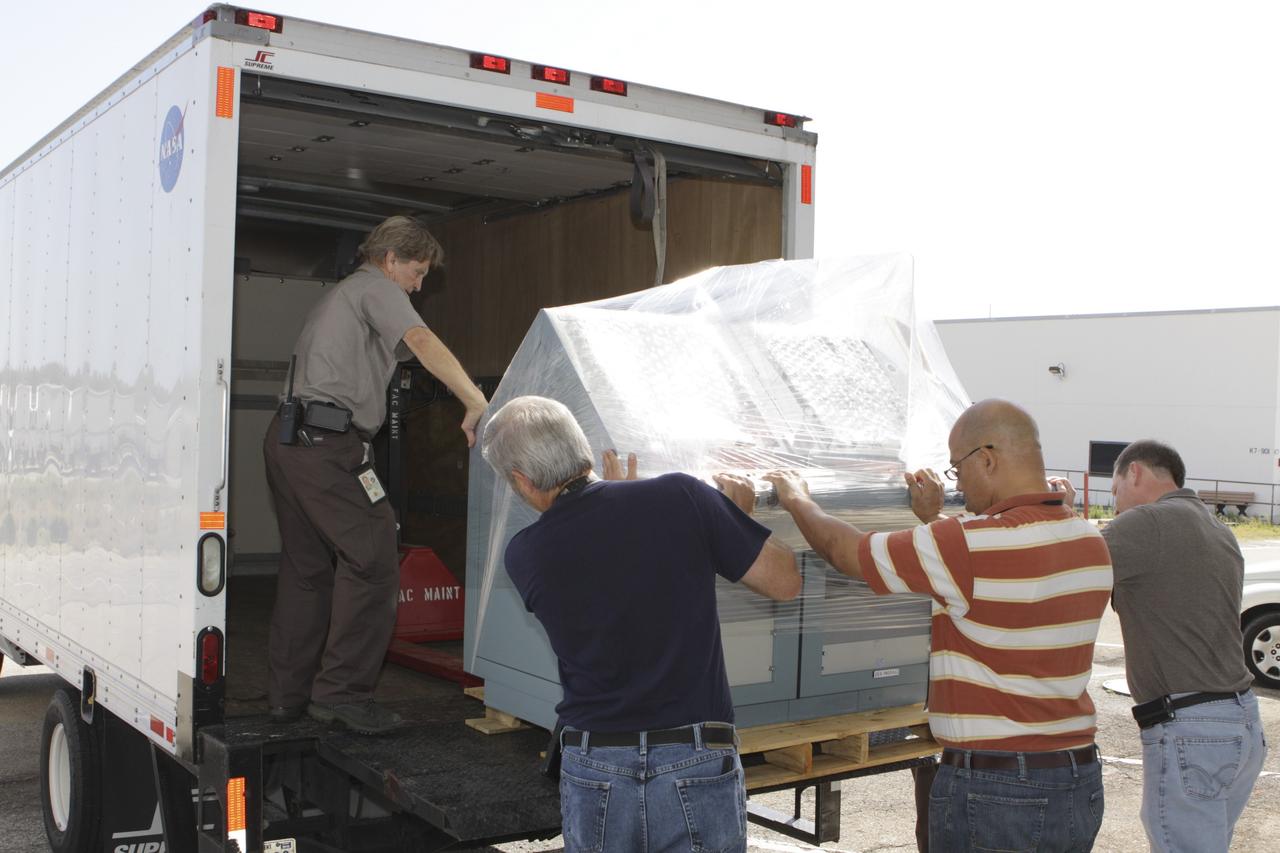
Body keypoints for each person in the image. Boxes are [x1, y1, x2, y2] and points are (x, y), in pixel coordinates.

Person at [763, 399, 1112, 852]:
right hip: (1075, 779)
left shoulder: (967, 546)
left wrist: (796, 498)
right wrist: (933, 520)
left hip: (998, 788)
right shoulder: (1088, 541)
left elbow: (847, 552)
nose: (958, 485)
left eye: (958, 469)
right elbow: (993, 574)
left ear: (987, 459)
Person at [480, 395, 801, 853]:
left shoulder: (525, 554)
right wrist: (737, 521)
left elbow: (606, 571)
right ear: (581, 446)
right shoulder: (681, 497)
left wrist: (617, 501)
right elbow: (786, 581)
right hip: (694, 756)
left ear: (522, 481)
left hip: (597, 763)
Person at [263, 215, 487, 734]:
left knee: (307, 573)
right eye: (417, 271)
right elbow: (422, 341)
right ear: (390, 260)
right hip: (327, 446)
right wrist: (475, 398)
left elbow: (405, 352)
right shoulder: (376, 288)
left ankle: (286, 699)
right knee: (374, 556)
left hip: (291, 440)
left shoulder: (346, 295)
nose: (419, 284)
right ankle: (343, 694)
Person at [1052, 440, 1265, 852]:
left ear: (1135, 473)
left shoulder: (1149, 523)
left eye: (1114, 493)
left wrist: (1060, 511)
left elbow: (1065, 559)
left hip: (1191, 725)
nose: (1114, 508)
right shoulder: (1216, 529)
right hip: (1239, 721)